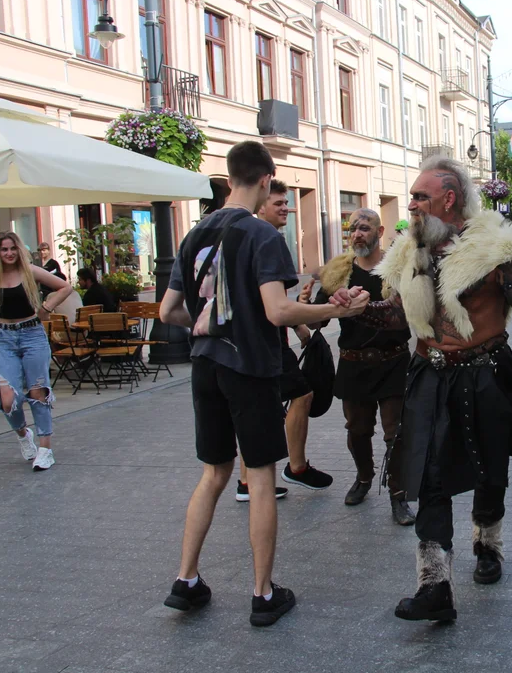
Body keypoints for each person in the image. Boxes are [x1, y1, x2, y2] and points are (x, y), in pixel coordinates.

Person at [159, 141, 369, 627]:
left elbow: (168, 311)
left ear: (230, 176)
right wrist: (336, 310)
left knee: (213, 473)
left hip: (205, 365)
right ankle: (262, 593)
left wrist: (214, 320)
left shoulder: (194, 234)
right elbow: (278, 310)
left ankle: (186, 581)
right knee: (260, 478)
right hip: (248, 368)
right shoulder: (261, 235)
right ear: (265, 179)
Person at [331, 156, 512, 623]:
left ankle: (487, 543)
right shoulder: (411, 252)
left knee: (489, 469)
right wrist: (358, 309)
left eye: (419, 197)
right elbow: (401, 316)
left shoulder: (495, 250)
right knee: (427, 474)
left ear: (448, 200)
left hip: (485, 374)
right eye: (411, 197)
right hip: (428, 374)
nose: (410, 205)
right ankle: (434, 585)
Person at [308, 207, 415, 525]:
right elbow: (319, 317)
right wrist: (312, 303)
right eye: (352, 228)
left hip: (393, 361)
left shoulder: (396, 269)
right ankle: (365, 477)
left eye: (364, 228)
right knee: (357, 431)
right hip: (354, 364)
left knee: (396, 433)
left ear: (380, 232)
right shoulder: (337, 272)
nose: (357, 233)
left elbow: (411, 313)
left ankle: (399, 496)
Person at [233, 180, 333, 503]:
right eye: (278, 203)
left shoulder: (243, 236)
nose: (286, 208)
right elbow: (272, 307)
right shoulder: (267, 238)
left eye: (287, 203)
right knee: (301, 394)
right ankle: (297, 466)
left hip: (249, 340)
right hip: (264, 342)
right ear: (261, 203)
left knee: (257, 405)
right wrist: (320, 311)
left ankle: (247, 481)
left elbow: (267, 296)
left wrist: (300, 323)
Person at [0, 232, 72, 471]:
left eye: (12, 248)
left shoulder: (30, 271)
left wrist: (46, 307)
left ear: (19, 249)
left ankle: (45, 449)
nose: (9, 253)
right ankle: (24, 435)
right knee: (7, 399)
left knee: (38, 392)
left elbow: (65, 287)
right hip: (5, 338)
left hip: (32, 334)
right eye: (4, 249)